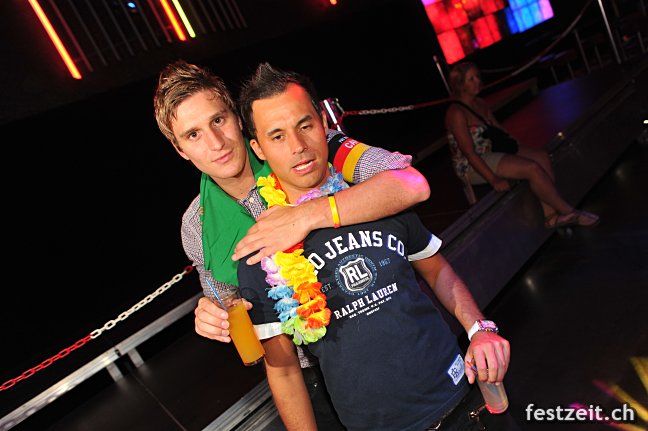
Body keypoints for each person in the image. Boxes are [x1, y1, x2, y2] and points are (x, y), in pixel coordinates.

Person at [153, 60, 431, 429]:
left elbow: (411, 184)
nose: (216, 143)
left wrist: (307, 215)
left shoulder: (309, 148)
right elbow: (232, 304)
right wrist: (212, 313)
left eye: (218, 120)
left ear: (237, 118)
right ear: (180, 150)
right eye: (193, 135)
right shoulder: (196, 225)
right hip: (304, 376)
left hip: (380, 335)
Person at [236, 62, 512, 431]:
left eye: (305, 126)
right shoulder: (261, 251)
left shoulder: (376, 198)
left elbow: (437, 270)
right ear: (258, 148)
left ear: (323, 122)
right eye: (277, 136)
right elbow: (284, 371)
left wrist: (480, 329)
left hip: (463, 395)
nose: (298, 147)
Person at [445, 61, 599, 229]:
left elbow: (497, 128)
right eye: (471, 79)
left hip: (492, 150)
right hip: (471, 164)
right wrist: (493, 179)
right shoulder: (456, 113)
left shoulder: (479, 103)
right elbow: (469, 153)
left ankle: (551, 216)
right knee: (531, 168)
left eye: (477, 77)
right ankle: (569, 211)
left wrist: (518, 146)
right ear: (460, 85)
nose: (478, 81)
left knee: (541, 157)